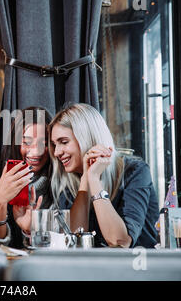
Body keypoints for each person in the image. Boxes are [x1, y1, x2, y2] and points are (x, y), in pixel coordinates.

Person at [49, 103, 159, 248]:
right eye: (54, 144)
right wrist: (85, 181)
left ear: (87, 137)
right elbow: (72, 242)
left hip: (136, 267)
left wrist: (94, 179)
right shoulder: (69, 181)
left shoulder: (135, 172)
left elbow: (120, 242)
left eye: (64, 142)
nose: (56, 152)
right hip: (91, 269)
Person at [0, 107, 53, 249]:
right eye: (26, 142)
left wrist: (28, 231)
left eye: (44, 143)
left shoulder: (59, 185)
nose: (36, 151)